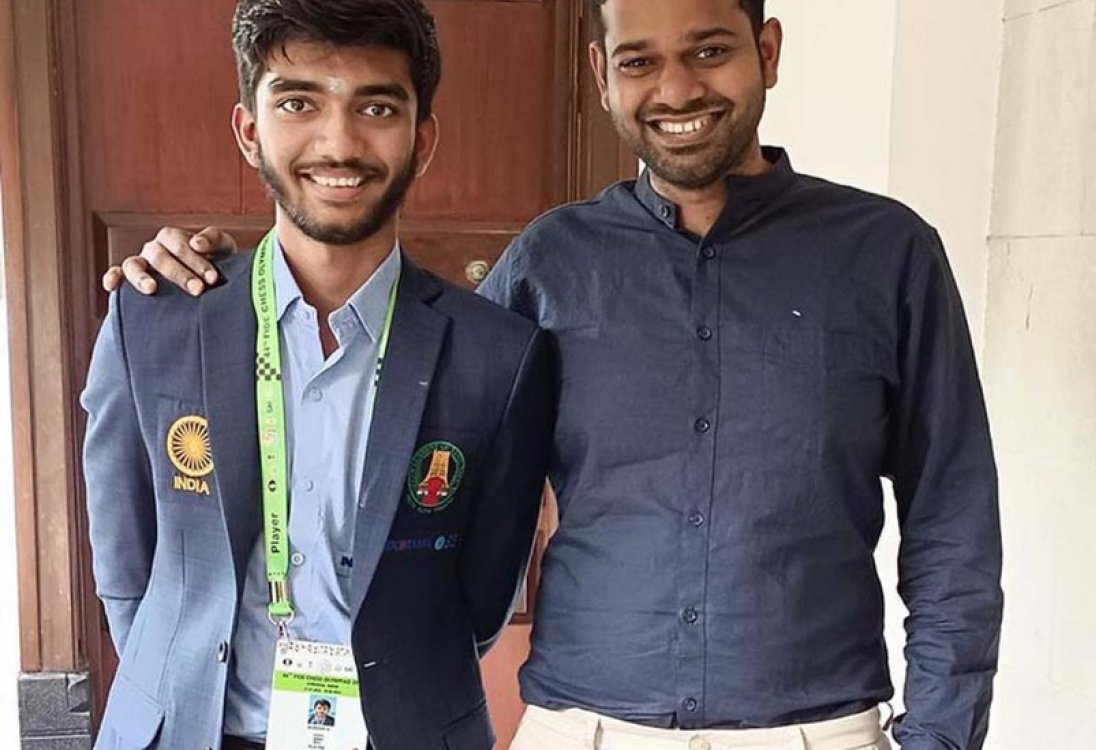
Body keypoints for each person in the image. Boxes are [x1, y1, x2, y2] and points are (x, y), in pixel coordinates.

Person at [109, 0, 1003, 748]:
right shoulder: (551, 262)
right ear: (602, 75)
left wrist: (939, 734)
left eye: (710, 51)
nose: (676, 90)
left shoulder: (886, 256)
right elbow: (423, 384)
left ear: (767, 51)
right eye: (639, 60)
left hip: (814, 727)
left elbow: (953, 519)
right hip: (585, 728)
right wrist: (205, 277)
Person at [81, 1, 553, 749]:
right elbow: (124, 563)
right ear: (249, 130)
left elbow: (484, 598)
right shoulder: (154, 318)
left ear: (422, 141)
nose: (339, 143)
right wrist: (172, 679)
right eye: (298, 103)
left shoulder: (499, 354)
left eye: (376, 107)